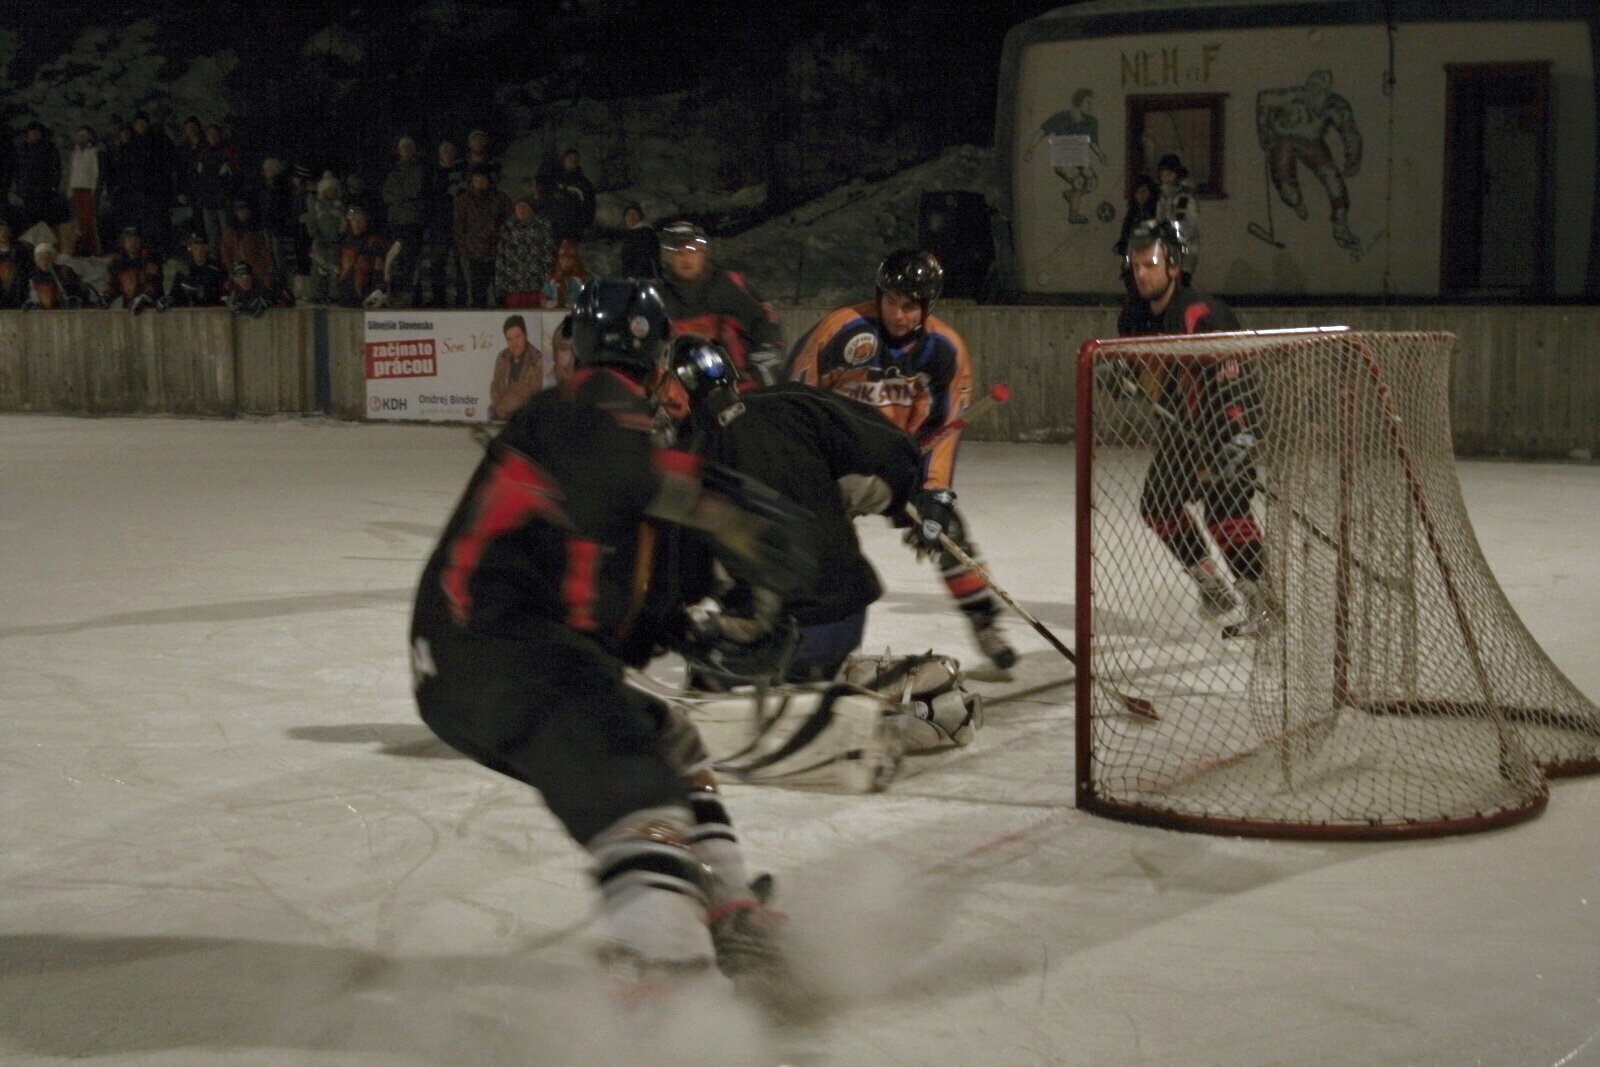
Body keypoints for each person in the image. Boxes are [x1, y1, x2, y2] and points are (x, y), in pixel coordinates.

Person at [409, 277, 814, 989]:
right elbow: (618, 467)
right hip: (495, 649)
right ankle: (675, 987)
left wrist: (697, 633)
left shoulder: (607, 448)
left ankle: (729, 906)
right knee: (636, 789)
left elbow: (617, 605)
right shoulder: (589, 412)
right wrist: (723, 511)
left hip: (490, 658)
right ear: (656, 369)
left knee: (666, 737)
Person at [788, 249, 1018, 670]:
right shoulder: (840, 330)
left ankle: (985, 623)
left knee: (949, 534)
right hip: (832, 464)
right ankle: (801, 639)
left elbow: (945, 428)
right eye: (891, 301)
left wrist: (936, 494)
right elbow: (794, 398)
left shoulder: (944, 349)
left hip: (896, 463)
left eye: (910, 305)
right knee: (816, 549)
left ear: (928, 306)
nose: (898, 313)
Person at [659, 334, 923, 686]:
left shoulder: (688, 459)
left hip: (782, 636)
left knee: (705, 683)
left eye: (666, 386)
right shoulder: (791, 402)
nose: (662, 398)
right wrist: (904, 502)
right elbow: (888, 453)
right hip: (846, 615)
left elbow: (684, 580)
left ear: (682, 388)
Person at [1113, 219, 1266, 633]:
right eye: (1136, 265)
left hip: (1224, 426)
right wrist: (1122, 377)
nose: (1141, 273)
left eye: (1150, 265)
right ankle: (1212, 586)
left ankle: (1263, 604)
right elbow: (1146, 378)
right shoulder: (1133, 315)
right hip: (1183, 431)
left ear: (1174, 266)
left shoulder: (1202, 313)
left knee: (1224, 511)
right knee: (1158, 504)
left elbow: (1236, 379)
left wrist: (1239, 437)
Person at [656, 220, 784, 386]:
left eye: (692, 250)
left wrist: (765, 352)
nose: (685, 258)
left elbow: (765, 318)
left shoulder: (727, 285)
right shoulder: (658, 296)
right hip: (678, 388)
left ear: (702, 253)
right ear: (668, 257)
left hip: (737, 384)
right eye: (678, 252)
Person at [453, 164, 509, 308]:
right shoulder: (463, 200)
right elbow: (459, 225)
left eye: (483, 180)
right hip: (474, 251)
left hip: (496, 250)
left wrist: (502, 244)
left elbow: (506, 222)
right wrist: (463, 247)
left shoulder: (499, 199)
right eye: (476, 180)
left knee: (500, 290)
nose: (480, 183)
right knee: (478, 290)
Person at [381, 136, 427, 303]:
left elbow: (415, 191)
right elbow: (387, 195)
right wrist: (402, 197)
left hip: (413, 221)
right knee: (396, 259)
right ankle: (395, 292)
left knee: (411, 259)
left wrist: (399, 196)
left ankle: (412, 294)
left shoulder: (419, 169)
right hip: (396, 221)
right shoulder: (393, 170)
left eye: (409, 146)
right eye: (403, 147)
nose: (406, 150)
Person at [422, 141, 467, 307]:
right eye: (444, 152)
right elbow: (429, 197)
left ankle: (461, 298)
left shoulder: (461, 172)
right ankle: (438, 298)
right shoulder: (433, 172)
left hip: (458, 223)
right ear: (439, 155)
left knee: (460, 262)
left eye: (450, 152)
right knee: (438, 263)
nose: (447, 155)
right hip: (438, 224)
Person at [490, 196, 552, 308]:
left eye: (525, 207)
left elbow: (547, 251)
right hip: (514, 281)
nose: (521, 210)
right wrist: (500, 283)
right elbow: (501, 255)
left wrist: (547, 275)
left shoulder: (542, 225)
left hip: (535, 280)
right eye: (519, 207)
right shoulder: (508, 227)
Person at [334, 204, 398, 308]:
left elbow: (379, 268)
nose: (357, 223)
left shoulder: (373, 242)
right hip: (346, 295)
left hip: (365, 294)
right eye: (354, 219)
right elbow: (340, 268)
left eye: (360, 219)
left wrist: (378, 289)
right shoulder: (344, 242)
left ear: (366, 221)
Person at [192, 123, 242, 252]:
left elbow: (237, 175)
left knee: (227, 232)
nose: (212, 137)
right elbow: (197, 176)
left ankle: (231, 257)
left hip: (223, 200)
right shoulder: (203, 154)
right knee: (211, 232)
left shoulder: (228, 152)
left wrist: (229, 194)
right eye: (210, 134)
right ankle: (215, 257)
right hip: (208, 200)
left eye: (215, 134)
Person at [488, 313, 545, 419]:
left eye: (518, 337)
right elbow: (496, 386)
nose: (514, 344)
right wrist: (499, 407)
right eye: (509, 339)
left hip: (527, 415)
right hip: (502, 412)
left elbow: (526, 391)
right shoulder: (502, 356)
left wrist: (502, 408)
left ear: (526, 335)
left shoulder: (537, 359)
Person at [302, 173, 345, 303]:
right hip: (320, 243)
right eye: (329, 189)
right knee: (319, 269)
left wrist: (340, 235)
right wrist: (316, 235)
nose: (331, 192)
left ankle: (334, 294)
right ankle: (317, 294)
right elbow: (311, 222)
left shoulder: (339, 206)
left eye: (333, 189)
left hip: (335, 243)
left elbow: (344, 222)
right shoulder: (317, 206)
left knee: (334, 269)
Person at [15, 121, 63, 238]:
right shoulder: (23, 148)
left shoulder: (49, 147)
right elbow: (18, 169)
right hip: (28, 190)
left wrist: (53, 187)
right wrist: (19, 186)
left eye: (37, 131)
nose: (35, 134)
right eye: (32, 131)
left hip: (44, 190)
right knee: (29, 218)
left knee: (44, 218)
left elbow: (56, 168)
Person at [220, 199, 278, 289]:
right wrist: (232, 271)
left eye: (244, 210)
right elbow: (226, 255)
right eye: (239, 211)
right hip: (239, 273)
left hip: (257, 273)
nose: (242, 214)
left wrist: (268, 271)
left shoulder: (256, 234)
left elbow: (265, 253)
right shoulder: (230, 235)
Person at [105, 227, 164, 312]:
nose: (133, 243)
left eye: (136, 239)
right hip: (129, 307)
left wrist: (144, 297)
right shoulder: (117, 262)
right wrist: (107, 296)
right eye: (129, 240)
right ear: (123, 243)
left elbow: (154, 283)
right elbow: (113, 286)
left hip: (151, 308)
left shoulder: (149, 259)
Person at [165, 232, 228, 308]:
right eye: (196, 249)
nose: (199, 252)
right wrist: (166, 301)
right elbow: (174, 294)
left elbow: (224, 292)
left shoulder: (217, 270)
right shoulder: (184, 272)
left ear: (206, 249)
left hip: (213, 310)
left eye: (202, 248)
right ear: (191, 250)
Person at [67, 126, 104, 256]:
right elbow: (73, 172)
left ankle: (93, 248)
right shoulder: (75, 153)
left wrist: (94, 189)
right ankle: (81, 247)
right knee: (79, 219)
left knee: (89, 219)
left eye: (84, 136)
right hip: (76, 189)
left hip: (87, 189)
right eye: (79, 136)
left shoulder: (93, 152)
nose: (81, 138)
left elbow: (96, 172)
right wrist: (70, 189)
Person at [24, 243, 93, 310]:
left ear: (53, 258)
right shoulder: (33, 274)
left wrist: (67, 292)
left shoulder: (64, 271)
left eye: (47, 258)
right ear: (35, 260)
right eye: (40, 258)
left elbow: (79, 292)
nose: (44, 262)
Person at [1112, 173, 1158, 259]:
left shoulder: (1157, 210)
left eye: (1144, 191)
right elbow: (1126, 234)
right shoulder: (1132, 213)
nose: (1141, 195)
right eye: (1137, 192)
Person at [540, 238, 590, 309]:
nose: (566, 261)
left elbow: (591, 298)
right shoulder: (553, 278)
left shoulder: (584, 278)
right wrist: (547, 303)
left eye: (570, 258)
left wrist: (577, 305)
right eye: (562, 258)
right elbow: (543, 297)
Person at [0, 216, 35, 309]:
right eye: (0, 230)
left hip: (18, 297)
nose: (3, 233)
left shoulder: (20, 251)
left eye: (5, 230)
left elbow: (28, 273)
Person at [618, 203, 657, 278]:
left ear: (640, 217)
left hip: (641, 278)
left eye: (634, 214)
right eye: (628, 215)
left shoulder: (645, 233)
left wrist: (634, 276)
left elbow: (644, 257)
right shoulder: (631, 234)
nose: (631, 217)